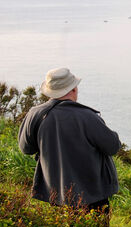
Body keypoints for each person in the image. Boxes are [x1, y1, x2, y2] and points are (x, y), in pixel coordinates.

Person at [18, 67, 122, 213]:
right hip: (92, 195)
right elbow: (113, 146)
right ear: (73, 89)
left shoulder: (35, 114)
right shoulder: (87, 116)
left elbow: (26, 148)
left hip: (55, 193)